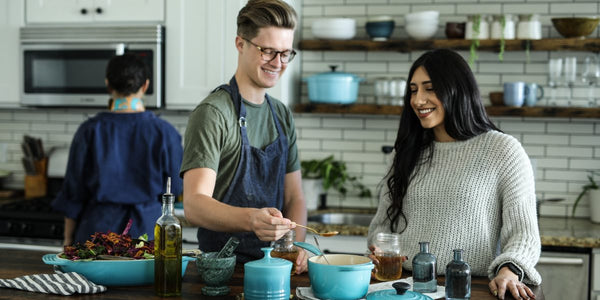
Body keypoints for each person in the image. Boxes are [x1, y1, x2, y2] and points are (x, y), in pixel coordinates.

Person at [367, 49, 541, 300]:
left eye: (430, 88)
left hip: (469, 289)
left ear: (457, 90)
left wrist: (509, 270)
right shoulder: (406, 152)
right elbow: (382, 226)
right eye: (414, 90)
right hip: (404, 288)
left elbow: (524, 234)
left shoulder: (503, 150)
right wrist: (378, 248)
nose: (418, 100)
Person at [180, 0, 307, 272]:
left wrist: (298, 247)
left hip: (276, 268)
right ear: (240, 44)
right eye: (268, 51)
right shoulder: (213, 113)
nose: (278, 63)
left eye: (285, 53)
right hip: (223, 272)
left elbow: (294, 196)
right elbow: (194, 205)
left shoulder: (281, 115)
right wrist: (252, 219)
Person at [52, 53, 183, 246]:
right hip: (147, 235)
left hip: (97, 235)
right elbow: (177, 188)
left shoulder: (89, 130)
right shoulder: (165, 133)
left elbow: (73, 194)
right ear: (145, 86)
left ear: (108, 85)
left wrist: (67, 241)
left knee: (89, 279)